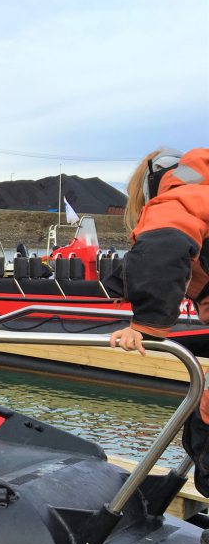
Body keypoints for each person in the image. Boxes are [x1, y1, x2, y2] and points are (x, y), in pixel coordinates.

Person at [107, 147, 209, 496]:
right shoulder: (202, 193)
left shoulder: (178, 196)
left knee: (205, 424)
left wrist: (147, 325)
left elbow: (163, 246)